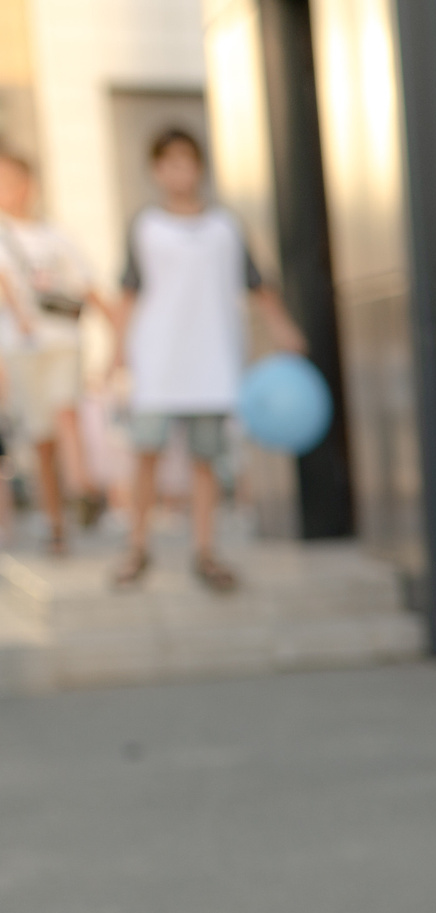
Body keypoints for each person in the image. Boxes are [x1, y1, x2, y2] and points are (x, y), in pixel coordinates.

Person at [110, 128, 305, 593]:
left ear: (199, 166)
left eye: (187, 160)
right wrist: (116, 349)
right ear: (156, 170)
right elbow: (128, 293)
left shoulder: (226, 227)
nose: (179, 171)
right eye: (169, 162)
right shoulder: (145, 226)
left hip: (213, 361)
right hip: (158, 361)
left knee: (206, 460)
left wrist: (282, 327)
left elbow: (257, 285)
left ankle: (205, 551)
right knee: (146, 453)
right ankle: (137, 547)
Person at [0, 151, 109, 554]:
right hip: (22, 349)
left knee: (67, 411)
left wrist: (117, 330)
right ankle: (56, 523)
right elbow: (5, 282)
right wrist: (20, 317)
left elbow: (88, 284)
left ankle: (83, 488)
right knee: (42, 441)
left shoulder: (56, 235)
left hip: (63, 341)